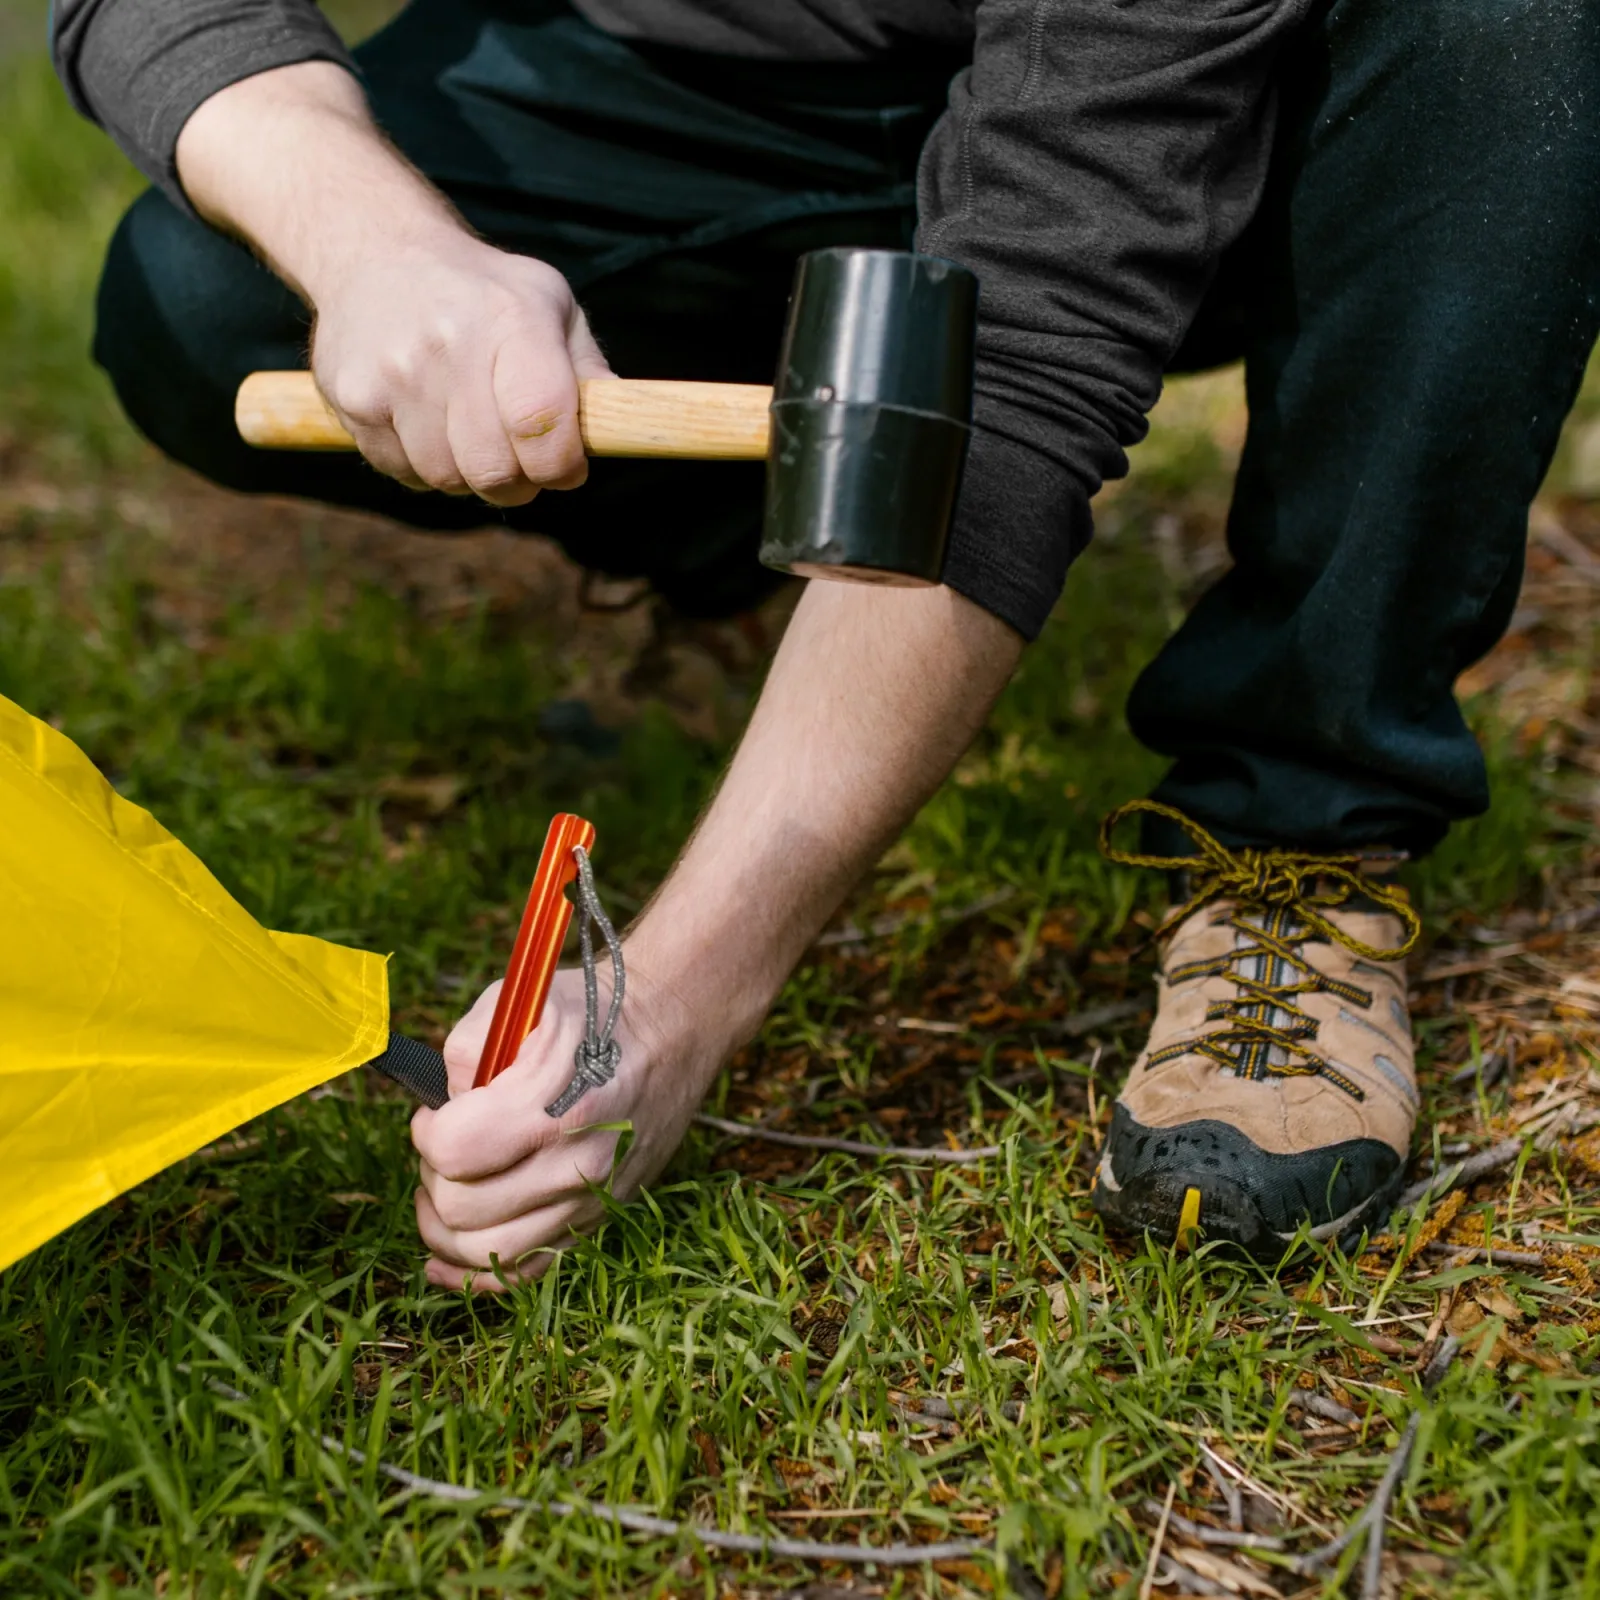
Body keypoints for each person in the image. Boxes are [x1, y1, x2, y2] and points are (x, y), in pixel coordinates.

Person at [54, 0, 1600, 1283]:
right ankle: (777, 557)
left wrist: (671, 999)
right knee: (203, 290)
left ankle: (1302, 814)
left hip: (1228, 97)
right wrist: (377, 239)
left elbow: (1030, 355)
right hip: (687, 71)